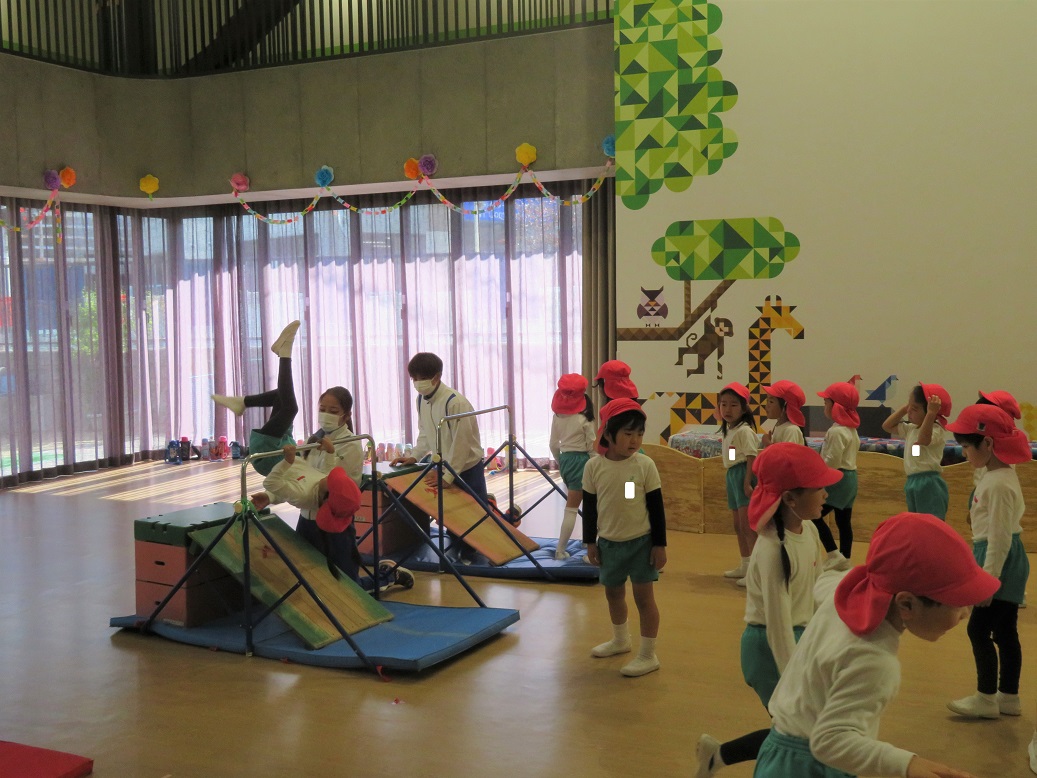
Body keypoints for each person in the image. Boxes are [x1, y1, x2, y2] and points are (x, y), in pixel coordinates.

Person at [755, 512, 998, 778]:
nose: (965, 614)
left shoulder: (848, 591)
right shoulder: (874, 660)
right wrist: (907, 764)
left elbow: (825, 582)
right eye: (958, 604)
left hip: (781, 751)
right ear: (906, 604)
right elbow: (829, 741)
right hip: (807, 767)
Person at [696, 443, 840, 777]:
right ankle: (722, 757)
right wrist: (795, 679)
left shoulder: (810, 530)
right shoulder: (772, 549)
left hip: (799, 639)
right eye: (818, 487)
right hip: (768, 648)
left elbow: (818, 590)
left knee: (802, 731)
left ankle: (716, 755)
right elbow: (777, 626)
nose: (826, 493)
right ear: (790, 498)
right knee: (800, 733)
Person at [944, 404, 1030, 719]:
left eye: (967, 446)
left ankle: (986, 697)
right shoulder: (997, 476)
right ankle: (1008, 697)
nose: (963, 452)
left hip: (999, 559)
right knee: (1005, 631)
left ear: (988, 443)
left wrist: (988, 580)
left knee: (978, 630)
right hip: (1000, 557)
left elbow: (1000, 538)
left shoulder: (999, 483)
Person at [583, 398, 666, 677]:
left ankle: (648, 655)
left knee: (644, 598)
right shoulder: (593, 467)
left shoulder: (644, 465)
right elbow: (590, 508)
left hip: (641, 543)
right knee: (613, 594)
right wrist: (590, 542)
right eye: (628, 433)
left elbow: (656, 508)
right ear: (608, 434)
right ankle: (620, 640)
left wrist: (659, 544)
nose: (635, 440)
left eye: (639, 433)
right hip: (609, 543)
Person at [390, 352, 487, 501]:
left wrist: (449, 476)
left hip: (467, 470)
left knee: (477, 512)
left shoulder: (455, 403)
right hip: (443, 467)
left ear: (437, 377)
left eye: (422, 378)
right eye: (414, 379)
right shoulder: (421, 399)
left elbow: (462, 443)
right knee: (445, 513)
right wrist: (414, 456)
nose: (417, 383)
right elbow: (425, 432)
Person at [881, 383, 952, 519]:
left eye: (915, 409)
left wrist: (931, 414)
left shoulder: (936, 430)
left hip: (929, 482)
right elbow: (887, 426)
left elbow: (923, 439)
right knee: (916, 521)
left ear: (931, 412)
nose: (909, 412)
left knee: (931, 522)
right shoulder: (911, 428)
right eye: (909, 407)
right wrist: (905, 408)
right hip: (912, 481)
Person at [548, 374, 596, 560]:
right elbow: (592, 446)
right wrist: (595, 466)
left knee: (579, 503)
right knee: (576, 507)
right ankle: (560, 550)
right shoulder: (585, 418)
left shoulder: (557, 417)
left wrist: (561, 462)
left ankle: (586, 540)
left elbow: (553, 444)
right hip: (582, 461)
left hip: (566, 460)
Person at [814, 382, 860, 568]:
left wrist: (817, 475)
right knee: (843, 521)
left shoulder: (836, 431)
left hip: (837, 479)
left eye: (826, 403)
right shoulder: (851, 429)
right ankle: (845, 558)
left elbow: (832, 460)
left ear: (836, 407)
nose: (824, 407)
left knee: (814, 515)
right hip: (851, 479)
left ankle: (833, 553)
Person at [718, 382, 758, 585]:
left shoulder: (744, 431)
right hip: (733, 475)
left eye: (733, 405)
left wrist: (747, 482)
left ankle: (756, 571)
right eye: (723, 404)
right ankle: (745, 564)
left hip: (743, 474)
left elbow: (751, 456)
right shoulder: (729, 430)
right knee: (738, 525)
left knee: (747, 525)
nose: (727, 409)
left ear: (743, 408)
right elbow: (733, 454)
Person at [761, 380, 806, 447]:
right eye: (767, 401)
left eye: (771, 402)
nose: (767, 406)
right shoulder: (779, 427)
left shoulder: (791, 430)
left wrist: (768, 444)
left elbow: (787, 453)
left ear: (785, 406)